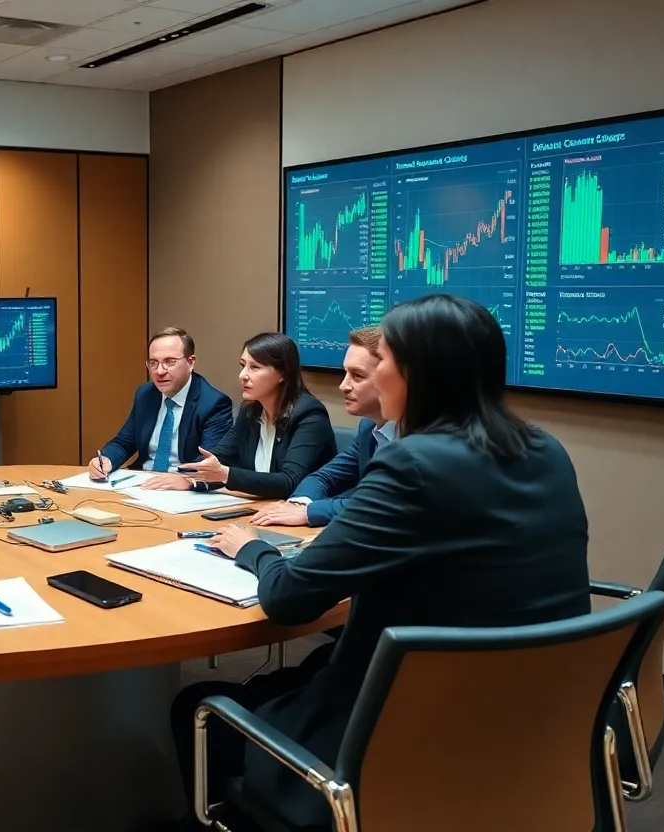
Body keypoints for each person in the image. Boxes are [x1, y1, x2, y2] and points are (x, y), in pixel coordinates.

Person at [169, 294, 591, 830]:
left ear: (418, 373)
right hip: (531, 719)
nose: (369, 375)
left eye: (383, 360)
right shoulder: (544, 448)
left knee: (201, 706)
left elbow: (289, 598)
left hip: (404, 730)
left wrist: (252, 548)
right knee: (310, 668)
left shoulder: (412, 462)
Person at [251, 325, 396, 527]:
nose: (343, 386)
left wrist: (309, 512)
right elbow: (325, 477)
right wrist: (298, 504)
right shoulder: (368, 427)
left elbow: (385, 506)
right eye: (346, 373)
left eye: (358, 376)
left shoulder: (422, 438)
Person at [179, 332, 336, 499]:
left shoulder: (309, 415)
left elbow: (289, 481)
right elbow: (219, 457)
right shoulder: (249, 412)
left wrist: (225, 474)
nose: (243, 376)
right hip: (259, 505)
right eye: (243, 365)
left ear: (283, 374)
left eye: (255, 367)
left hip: (301, 513)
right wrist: (190, 476)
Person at [88, 326, 233, 490]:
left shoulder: (214, 403)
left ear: (190, 362)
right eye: (153, 363)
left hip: (183, 490)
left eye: (170, 362)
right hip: (142, 483)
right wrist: (106, 460)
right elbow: (124, 442)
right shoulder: (146, 394)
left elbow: (212, 462)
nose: (160, 371)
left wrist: (187, 480)